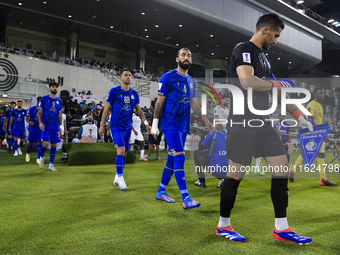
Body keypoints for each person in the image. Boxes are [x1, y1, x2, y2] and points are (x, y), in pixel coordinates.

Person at [216, 13, 313, 244]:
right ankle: (223, 225)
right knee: (235, 176)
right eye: (276, 36)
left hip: (263, 124)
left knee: (282, 169)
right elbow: (247, 81)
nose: (276, 41)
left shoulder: (265, 59)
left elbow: (278, 93)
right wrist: (277, 83)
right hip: (242, 123)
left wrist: (301, 116)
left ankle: (281, 228)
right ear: (265, 30)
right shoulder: (243, 49)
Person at [151, 47, 213, 209]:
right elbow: (159, 103)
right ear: (177, 59)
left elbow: (194, 104)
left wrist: (205, 120)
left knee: (172, 159)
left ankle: (161, 191)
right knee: (180, 157)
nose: (186, 58)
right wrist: (155, 125)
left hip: (183, 126)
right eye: (183, 55)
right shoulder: (167, 77)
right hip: (170, 124)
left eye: (189, 56)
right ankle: (186, 198)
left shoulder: (191, 81)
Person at [99, 69, 151, 190]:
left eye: (130, 75)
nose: (128, 77)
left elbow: (138, 110)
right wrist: (102, 125)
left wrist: (146, 123)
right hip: (116, 126)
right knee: (121, 151)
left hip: (128, 127)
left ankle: (117, 176)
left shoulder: (134, 93)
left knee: (125, 153)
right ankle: (121, 178)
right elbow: (106, 109)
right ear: (121, 78)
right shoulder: (114, 92)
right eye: (126, 75)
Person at [290, 88, 337, 186]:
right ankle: (291, 171)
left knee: (321, 155)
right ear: (315, 94)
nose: (322, 94)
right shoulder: (311, 104)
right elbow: (311, 121)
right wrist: (320, 134)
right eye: (320, 93)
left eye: (323, 93)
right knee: (306, 155)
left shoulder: (320, 105)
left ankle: (323, 179)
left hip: (319, 134)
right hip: (313, 134)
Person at [38, 81, 63, 172]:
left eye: (56, 87)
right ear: (49, 89)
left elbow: (59, 114)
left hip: (55, 126)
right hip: (46, 126)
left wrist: (60, 127)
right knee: (45, 144)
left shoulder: (59, 101)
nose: (54, 88)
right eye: (53, 87)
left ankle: (51, 165)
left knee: (54, 145)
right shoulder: (44, 99)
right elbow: (40, 111)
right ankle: (41, 157)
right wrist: (40, 122)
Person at [194, 124, 228, 188]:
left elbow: (201, 148)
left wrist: (202, 136)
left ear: (216, 127)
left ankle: (201, 180)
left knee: (197, 153)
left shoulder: (214, 133)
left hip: (217, 168)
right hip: (229, 169)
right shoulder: (228, 134)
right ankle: (223, 179)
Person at [26, 96, 42, 163]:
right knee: (30, 143)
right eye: (40, 101)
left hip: (39, 129)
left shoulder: (43, 110)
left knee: (39, 143)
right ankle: (28, 154)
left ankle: (38, 158)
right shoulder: (31, 109)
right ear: (37, 101)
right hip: (32, 129)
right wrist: (29, 122)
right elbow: (27, 118)